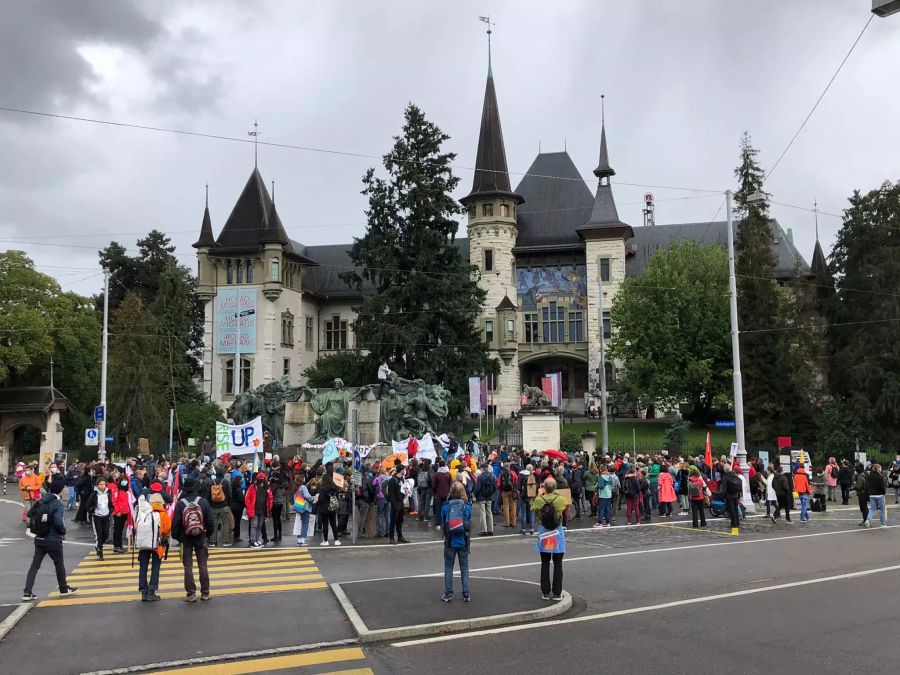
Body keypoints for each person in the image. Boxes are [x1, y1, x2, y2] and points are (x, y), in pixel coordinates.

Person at [22, 479, 78, 601]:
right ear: (60, 490)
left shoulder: (42, 500)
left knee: (35, 565)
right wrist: (62, 532)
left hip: (39, 538)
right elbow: (58, 522)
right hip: (53, 539)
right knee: (59, 563)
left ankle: (27, 591)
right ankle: (63, 589)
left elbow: (30, 513)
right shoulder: (57, 504)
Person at [170, 478, 215, 602]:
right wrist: (206, 534)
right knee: (203, 565)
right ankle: (205, 592)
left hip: (186, 539)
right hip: (201, 538)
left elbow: (175, 525)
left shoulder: (180, 503)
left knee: (188, 567)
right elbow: (211, 522)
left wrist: (179, 538)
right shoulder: (204, 502)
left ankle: (191, 594)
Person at [532, 477, 568, 601]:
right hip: (557, 532)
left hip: (544, 532)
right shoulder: (560, 499)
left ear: (544, 488)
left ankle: (545, 592)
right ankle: (557, 592)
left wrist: (540, 495)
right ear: (555, 488)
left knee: (545, 562)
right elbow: (565, 505)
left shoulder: (539, 499)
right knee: (558, 563)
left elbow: (533, 510)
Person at [134, 493, 170, 602]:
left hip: (144, 544)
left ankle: (143, 592)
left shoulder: (144, 512)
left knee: (143, 567)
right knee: (155, 567)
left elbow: (136, 526)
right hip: (157, 545)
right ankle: (152, 591)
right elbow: (166, 529)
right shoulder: (163, 513)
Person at [441, 482, 472, 602]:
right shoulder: (467, 506)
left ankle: (448, 594)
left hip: (450, 540)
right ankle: (466, 593)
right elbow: (468, 519)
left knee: (448, 566)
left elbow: (444, 521)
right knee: (464, 566)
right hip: (463, 539)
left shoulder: (446, 506)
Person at [85, 477, 113, 559]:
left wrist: (110, 511)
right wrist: (93, 510)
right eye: (100, 484)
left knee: (106, 534)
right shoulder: (94, 494)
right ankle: (99, 550)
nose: (102, 486)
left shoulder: (108, 493)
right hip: (97, 516)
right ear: (97, 485)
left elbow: (111, 504)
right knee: (99, 535)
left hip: (106, 516)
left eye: (104, 484)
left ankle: (100, 544)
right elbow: (88, 505)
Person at [245, 472, 273, 549]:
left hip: (262, 510)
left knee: (259, 526)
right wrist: (249, 508)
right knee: (254, 526)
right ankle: (253, 541)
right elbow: (247, 499)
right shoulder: (252, 488)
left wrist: (269, 508)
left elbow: (270, 499)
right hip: (254, 510)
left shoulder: (267, 489)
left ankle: (256, 540)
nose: (261, 482)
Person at [317, 463, 342, 546]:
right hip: (333, 503)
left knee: (325, 523)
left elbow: (324, 489)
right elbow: (338, 489)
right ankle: (336, 540)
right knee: (333, 522)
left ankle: (326, 540)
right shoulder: (336, 477)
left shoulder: (325, 477)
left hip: (325, 504)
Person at [384, 465, 409, 544]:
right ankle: (391, 538)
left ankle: (400, 536)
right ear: (400, 470)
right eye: (404, 469)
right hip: (395, 503)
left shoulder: (402, 479)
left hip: (400, 502)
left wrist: (406, 493)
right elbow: (391, 494)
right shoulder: (393, 480)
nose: (405, 470)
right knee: (393, 521)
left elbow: (403, 490)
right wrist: (393, 504)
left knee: (400, 520)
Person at [209, 469, 233, 547]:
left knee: (214, 523)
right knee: (225, 523)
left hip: (213, 506)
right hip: (224, 506)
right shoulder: (226, 482)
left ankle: (212, 541)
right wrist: (228, 503)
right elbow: (229, 494)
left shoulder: (212, 482)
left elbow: (208, 494)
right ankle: (225, 541)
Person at [473, 462, 496, 536]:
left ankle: (484, 530)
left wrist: (476, 495)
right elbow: (495, 488)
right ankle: (490, 530)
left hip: (481, 497)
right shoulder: (493, 476)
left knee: (482, 514)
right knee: (489, 513)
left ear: (482, 468)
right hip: (489, 497)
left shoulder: (480, 477)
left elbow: (477, 489)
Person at [292, 474, 313, 546]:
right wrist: (313, 498)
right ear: (302, 480)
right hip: (305, 507)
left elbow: (294, 498)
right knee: (305, 524)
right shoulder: (303, 487)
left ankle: (299, 539)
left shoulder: (295, 488)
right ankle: (302, 540)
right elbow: (307, 496)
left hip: (298, 507)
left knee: (299, 523)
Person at [111, 478, 131, 553]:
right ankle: (117, 546)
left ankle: (119, 545)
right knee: (117, 530)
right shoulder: (117, 490)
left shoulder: (126, 491)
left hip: (125, 512)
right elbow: (114, 501)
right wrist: (117, 511)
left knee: (120, 530)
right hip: (119, 513)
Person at [431, 460, 452, 530]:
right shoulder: (448, 474)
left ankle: (438, 524)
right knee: (446, 508)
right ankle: (446, 522)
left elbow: (433, 485)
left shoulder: (436, 474)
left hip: (438, 494)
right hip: (446, 494)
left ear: (439, 465)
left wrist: (435, 491)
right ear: (445, 465)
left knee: (438, 509)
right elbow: (450, 484)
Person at [865, 463, 887, 528]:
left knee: (872, 509)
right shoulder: (880, 476)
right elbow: (882, 486)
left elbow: (866, 485)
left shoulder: (869, 476)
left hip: (872, 495)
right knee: (882, 510)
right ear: (878, 469)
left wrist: (868, 493)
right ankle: (883, 524)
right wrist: (884, 492)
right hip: (880, 495)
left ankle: (868, 520)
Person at [517, 463, 537, 535]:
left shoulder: (521, 475)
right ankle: (532, 529)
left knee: (523, 513)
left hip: (523, 496)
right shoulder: (533, 475)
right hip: (531, 496)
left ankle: (523, 529)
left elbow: (518, 487)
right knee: (531, 513)